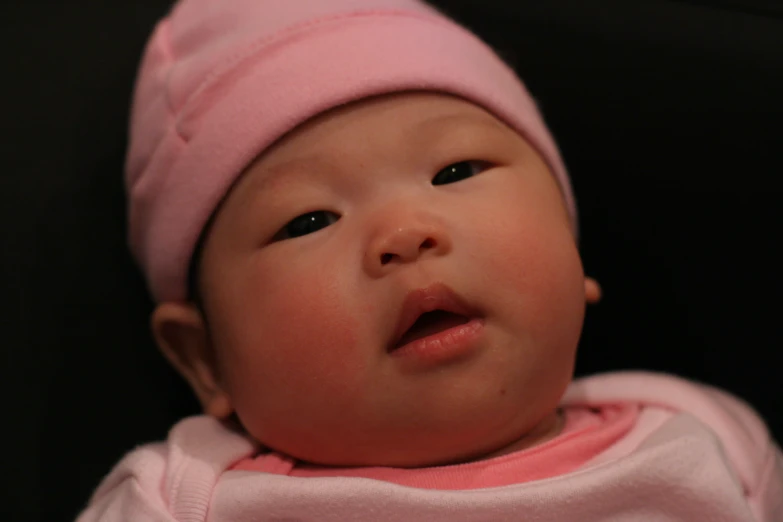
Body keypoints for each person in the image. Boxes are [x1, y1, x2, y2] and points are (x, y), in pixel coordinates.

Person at [76, 0, 783, 519]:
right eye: (308, 220)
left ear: (572, 249)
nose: (404, 234)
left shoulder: (704, 434)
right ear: (203, 358)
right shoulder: (183, 500)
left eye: (455, 172)